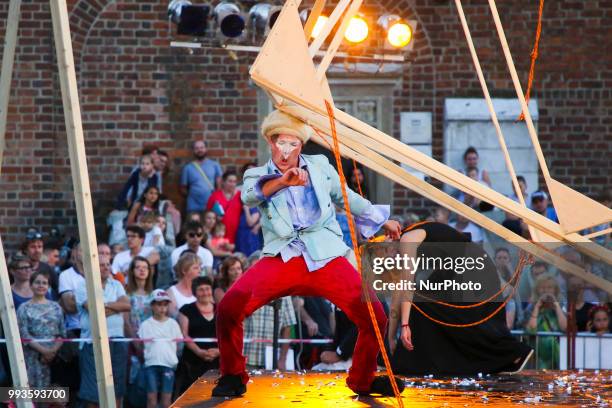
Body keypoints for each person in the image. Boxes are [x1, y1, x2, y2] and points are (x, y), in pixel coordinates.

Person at [212, 110, 402, 397]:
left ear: (301, 145)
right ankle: (233, 375)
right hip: (283, 256)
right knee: (228, 308)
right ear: (270, 142)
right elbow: (250, 195)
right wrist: (282, 182)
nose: (285, 150)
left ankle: (363, 379)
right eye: (279, 142)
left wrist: (380, 218)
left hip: (324, 254)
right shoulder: (257, 174)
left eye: (292, 144)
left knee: (375, 314)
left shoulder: (320, 166)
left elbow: (344, 195)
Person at [389, 221, 533, 376]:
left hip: (469, 266)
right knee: (424, 305)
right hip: (459, 267)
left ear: (391, 237)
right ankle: (422, 361)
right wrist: (391, 337)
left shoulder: (407, 240)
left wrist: (404, 325)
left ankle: (513, 353)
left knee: (426, 307)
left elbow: (406, 288)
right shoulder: (408, 241)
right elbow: (400, 292)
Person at [76, 256, 131, 407]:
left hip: (117, 341)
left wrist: (104, 305)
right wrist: (115, 306)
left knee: (117, 386)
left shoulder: (117, 284)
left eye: (108, 264)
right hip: (92, 341)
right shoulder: (83, 286)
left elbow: (127, 305)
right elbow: (93, 310)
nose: (106, 267)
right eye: (101, 265)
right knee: (92, 391)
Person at [17, 270, 65, 388]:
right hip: (32, 357)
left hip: (54, 357)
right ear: (31, 285)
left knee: (53, 396)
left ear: (48, 286)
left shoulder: (56, 307)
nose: (41, 286)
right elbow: (24, 334)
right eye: (37, 282)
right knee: (33, 393)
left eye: (44, 283)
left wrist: (52, 351)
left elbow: (62, 334)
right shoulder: (23, 308)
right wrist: (44, 351)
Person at [174, 277, 219, 397]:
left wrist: (218, 351)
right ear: (195, 292)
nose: (205, 292)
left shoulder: (221, 309)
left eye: (208, 289)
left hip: (217, 362)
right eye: (201, 289)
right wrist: (199, 352)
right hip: (192, 362)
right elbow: (185, 334)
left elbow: (228, 335)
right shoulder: (186, 310)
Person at [138, 289, 183, 408]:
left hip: (168, 364)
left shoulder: (173, 324)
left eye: (165, 305)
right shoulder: (145, 325)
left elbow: (179, 345)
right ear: (152, 305)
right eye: (159, 304)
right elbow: (140, 345)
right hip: (151, 364)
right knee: (151, 398)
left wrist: (173, 357)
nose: (162, 308)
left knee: (166, 400)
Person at [523, 274, 567, 369]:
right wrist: (537, 307)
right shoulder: (531, 308)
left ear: (555, 290)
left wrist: (556, 306)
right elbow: (531, 329)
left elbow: (565, 327)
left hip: (556, 355)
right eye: (542, 287)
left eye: (549, 287)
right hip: (536, 355)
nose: (546, 290)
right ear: (537, 290)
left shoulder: (561, 306)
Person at [243, 296, 296, 369]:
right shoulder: (249, 290)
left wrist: (282, 360)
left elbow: (287, 327)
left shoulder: (285, 294)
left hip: (271, 361)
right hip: (247, 358)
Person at [124, 256, 154, 361]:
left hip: (151, 342)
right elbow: (126, 322)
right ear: (132, 271)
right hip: (133, 341)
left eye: (145, 267)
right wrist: (136, 344)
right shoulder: (126, 295)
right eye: (138, 267)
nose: (142, 270)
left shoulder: (154, 295)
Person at [180, 140, 223, 213]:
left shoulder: (215, 165)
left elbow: (220, 186)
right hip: (193, 206)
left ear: (206, 149)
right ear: (193, 151)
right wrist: (193, 195)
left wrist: (216, 198)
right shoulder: (188, 167)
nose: (199, 150)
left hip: (210, 204)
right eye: (196, 148)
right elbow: (182, 188)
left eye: (202, 147)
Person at [206, 170, 242, 244]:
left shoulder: (240, 195)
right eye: (230, 181)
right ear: (223, 182)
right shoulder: (215, 196)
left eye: (234, 181)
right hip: (218, 233)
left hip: (237, 234)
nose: (232, 184)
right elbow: (208, 213)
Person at [21, 230, 58, 299]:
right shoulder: (18, 269)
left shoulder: (47, 268)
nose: (37, 250)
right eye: (33, 247)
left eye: (40, 246)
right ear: (25, 250)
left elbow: (57, 290)